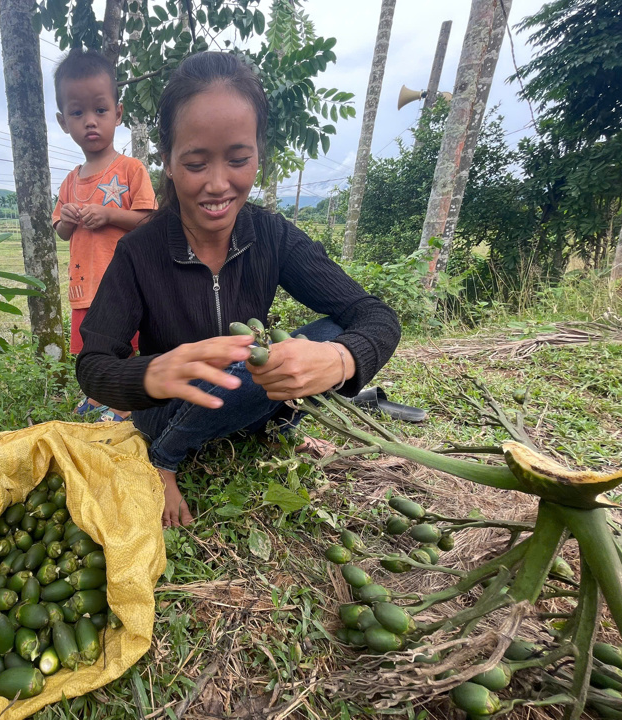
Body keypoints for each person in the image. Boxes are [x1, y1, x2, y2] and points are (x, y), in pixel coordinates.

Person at [75, 51, 402, 528]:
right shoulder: (138, 252)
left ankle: (271, 420)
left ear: (258, 155)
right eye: (195, 162)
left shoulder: (272, 236)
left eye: (238, 159)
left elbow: (375, 315)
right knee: (248, 365)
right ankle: (164, 459)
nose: (218, 183)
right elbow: (93, 365)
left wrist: (339, 361)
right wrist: (151, 374)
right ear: (166, 160)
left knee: (314, 341)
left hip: (252, 398)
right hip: (168, 411)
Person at [51, 49, 157, 420]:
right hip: (85, 283)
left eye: (100, 110)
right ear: (64, 122)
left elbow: (148, 221)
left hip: (123, 283)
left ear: (118, 113)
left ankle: (122, 404)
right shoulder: (68, 181)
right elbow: (63, 233)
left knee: (124, 346)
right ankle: (95, 397)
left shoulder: (130, 169)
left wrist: (109, 214)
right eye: (78, 113)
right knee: (86, 346)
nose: (90, 122)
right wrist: (67, 217)